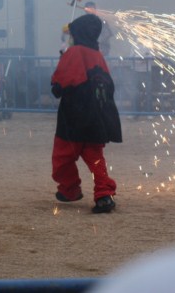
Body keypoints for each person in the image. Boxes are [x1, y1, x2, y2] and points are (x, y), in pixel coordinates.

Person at [50, 13, 122, 214]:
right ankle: (104, 196)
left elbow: (59, 86)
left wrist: (60, 67)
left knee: (62, 158)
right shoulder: (97, 54)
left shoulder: (74, 53)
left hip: (73, 117)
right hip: (95, 117)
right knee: (95, 158)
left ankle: (70, 190)